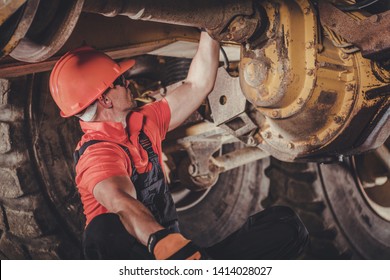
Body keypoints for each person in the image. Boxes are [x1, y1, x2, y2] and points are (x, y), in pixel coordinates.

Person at [49, 31, 309, 260]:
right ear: (105, 99)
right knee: (104, 231)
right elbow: (120, 202)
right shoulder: (98, 153)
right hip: (150, 260)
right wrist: (162, 243)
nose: (127, 83)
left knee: (285, 227)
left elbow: (196, 85)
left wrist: (213, 29)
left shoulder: (142, 123)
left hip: (178, 259)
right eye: (120, 81)